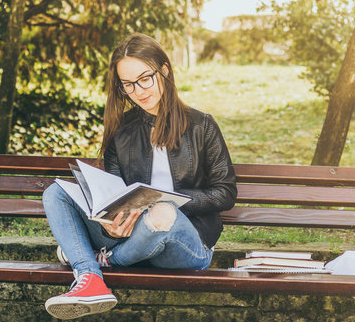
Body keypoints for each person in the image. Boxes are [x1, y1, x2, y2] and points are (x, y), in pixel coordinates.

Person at [42, 33, 237, 320]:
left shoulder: (201, 125)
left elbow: (225, 192)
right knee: (55, 193)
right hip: (135, 236)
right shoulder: (121, 130)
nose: (139, 90)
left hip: (187, 243)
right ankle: (90, 278)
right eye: (128, 84)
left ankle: (101, 263)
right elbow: (116, 194)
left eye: (145, 78)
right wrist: (112, 226)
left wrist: (170, 203)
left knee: (162, 212)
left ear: (164, 71)